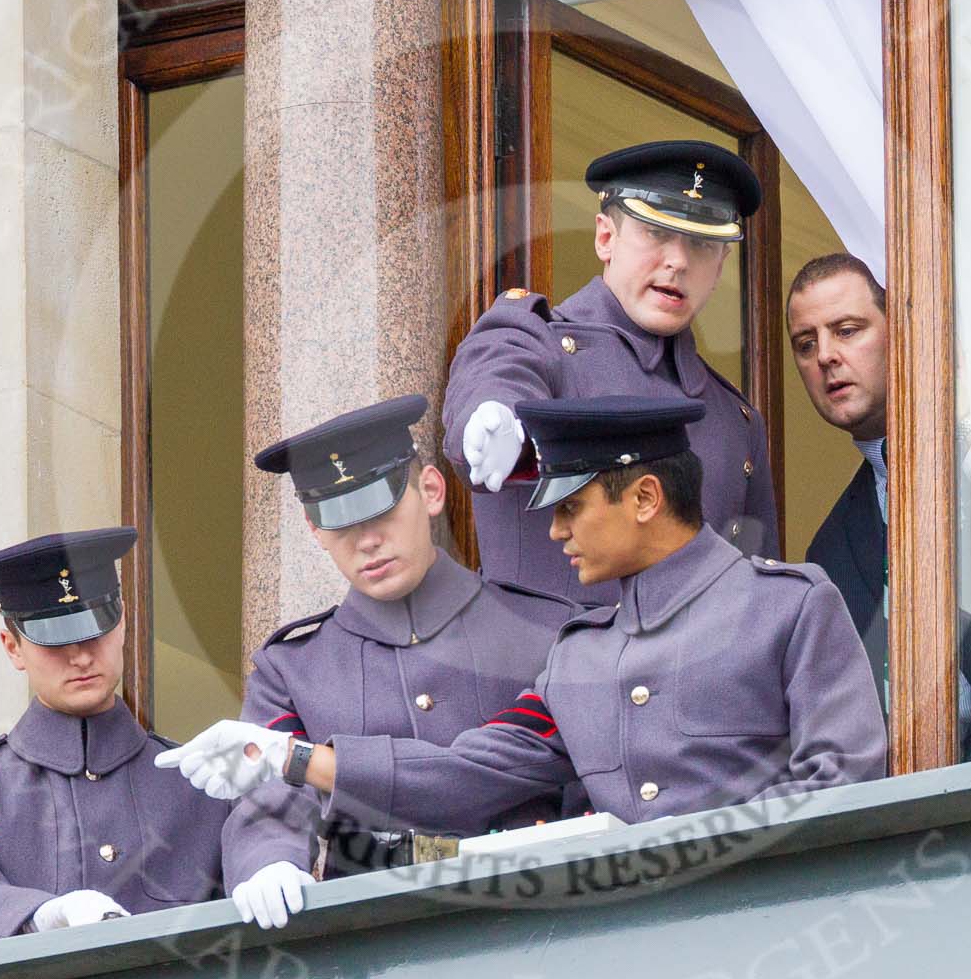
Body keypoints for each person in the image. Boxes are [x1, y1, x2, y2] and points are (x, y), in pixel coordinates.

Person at [161, 396, 887, 925]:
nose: (556, 528)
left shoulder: (787, 604)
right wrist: (290, 760)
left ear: (643, 496)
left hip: (775, 929)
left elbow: (841, 783)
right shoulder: (580, 658)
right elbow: (472, 771)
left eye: (570, 505)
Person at [212, 394, 577, 929]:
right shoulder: (293, 669)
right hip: (371, 944)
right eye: (340, 524)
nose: (367, 542)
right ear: (315, 532)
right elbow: (267, 792)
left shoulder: (545, 632)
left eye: (381, 510)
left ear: (431, 491)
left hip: (535, 921)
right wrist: (267, 862)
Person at [445, 140, 776, 603]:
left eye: (702, 244)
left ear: (719, 266)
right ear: (606, 238)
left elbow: (756, 605)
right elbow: (497, 370)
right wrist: (490, 413)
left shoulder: (734, 419)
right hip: (548, 673)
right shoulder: (537, 339)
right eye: (655, 234)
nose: (678, 261)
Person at [0, 527, 227, 944]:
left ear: (123, 620)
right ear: (12, 647)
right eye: (54, 641)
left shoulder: (197, 781)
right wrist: (43, 915)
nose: (80, 656)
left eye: (95, 629)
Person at [787, 253, 971, 760]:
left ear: (902, 332)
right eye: (806, 344)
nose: (825, 355)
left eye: (847, 331)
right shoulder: (828, 548)